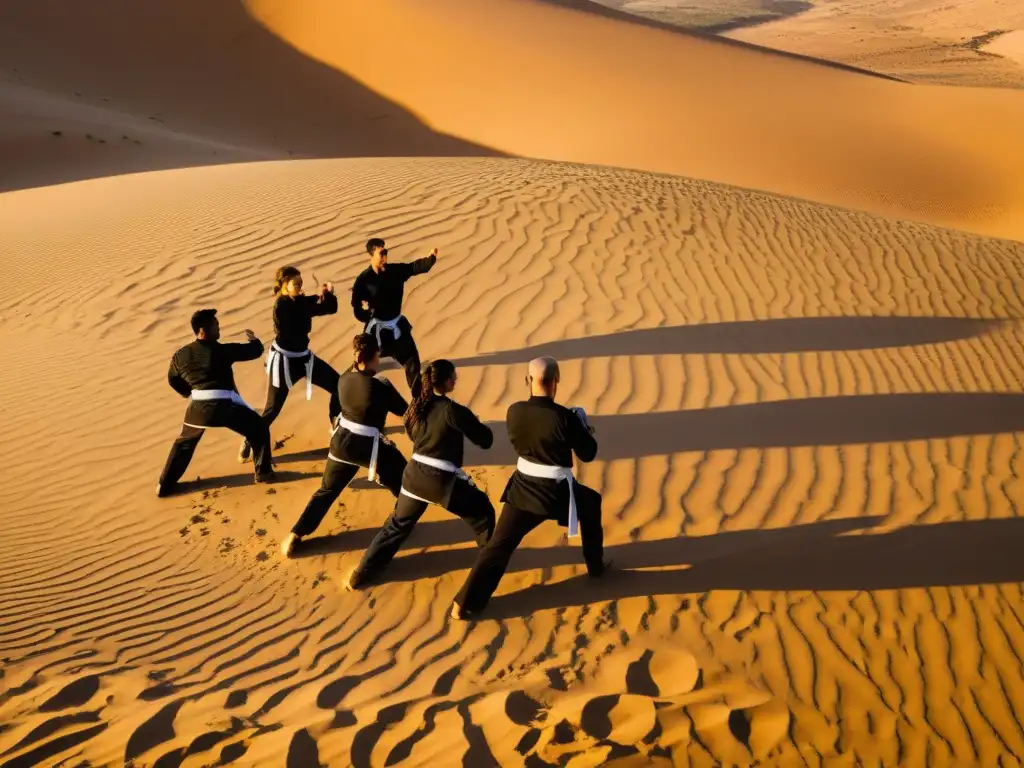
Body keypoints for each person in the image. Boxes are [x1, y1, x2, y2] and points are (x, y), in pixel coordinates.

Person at [451, 357, 609, 619]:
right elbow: (589, 453)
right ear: (556, 382)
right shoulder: (565, 418)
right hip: (557, 494)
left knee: (499, 546)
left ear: (528, 381)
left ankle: (463, 603)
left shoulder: (514, 411)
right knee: (591, 504)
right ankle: (596, 567)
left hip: (523, 490)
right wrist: (581, 427)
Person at [344, 359, 495, 589]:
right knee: (484, 514)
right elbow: (486, 440)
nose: (456, 379)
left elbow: (415, 436)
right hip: (442, 482)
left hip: (413, 478)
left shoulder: (416, 407)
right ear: (445, 382)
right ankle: (491, 566)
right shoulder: (452, 411)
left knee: (396, 525)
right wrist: (471, 420)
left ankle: (362, 572)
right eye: (453, 376)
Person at [281, 334, 409, 557]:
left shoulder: (343, 378)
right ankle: (402, 522)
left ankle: (296, 533)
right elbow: (405, 412)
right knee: (403, 480)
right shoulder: (381, 385)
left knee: (326, 491)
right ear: (370, 358)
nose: (379, 361)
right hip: (369, 447)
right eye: (377, 356)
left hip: (341, 443)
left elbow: (334, 409)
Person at [158, 309, 274, 496]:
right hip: (224, 407)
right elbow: (254, 351)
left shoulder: (181, 354)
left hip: (197, 409)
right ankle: (264, 473)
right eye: (215, 326)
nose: (219, 328)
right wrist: (254, 340)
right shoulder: (221, 350)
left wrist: (187, 392)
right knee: (258, 428)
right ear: (203, 330)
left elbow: (172, 378)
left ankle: (164, 485)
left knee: (183, 445)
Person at [239, 266, 341, 462]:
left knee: (338, 386)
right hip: (284, 363)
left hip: (304, 358)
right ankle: (249, 437)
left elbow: (330, 308)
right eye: (296, 284)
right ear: (284, 286)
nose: (301, 287)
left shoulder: (301, 302)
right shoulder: (281, 306)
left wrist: (328, 295)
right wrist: (313, 302)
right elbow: (291, 323)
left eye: (301, 283)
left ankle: (336, 425)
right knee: (272, 409)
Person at [351, 238, 437, 399]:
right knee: (363, 367)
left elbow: (413, 268)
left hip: (397, 327)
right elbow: (356, 308)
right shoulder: (364, 280)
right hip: (376, 330)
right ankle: (354, 400)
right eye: (381, 253)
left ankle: (419, 402)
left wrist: (430, 260)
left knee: (412, 361)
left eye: (386, 253)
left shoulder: (395, 272)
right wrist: (364, 314)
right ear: (372, 255)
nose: (385, 257)